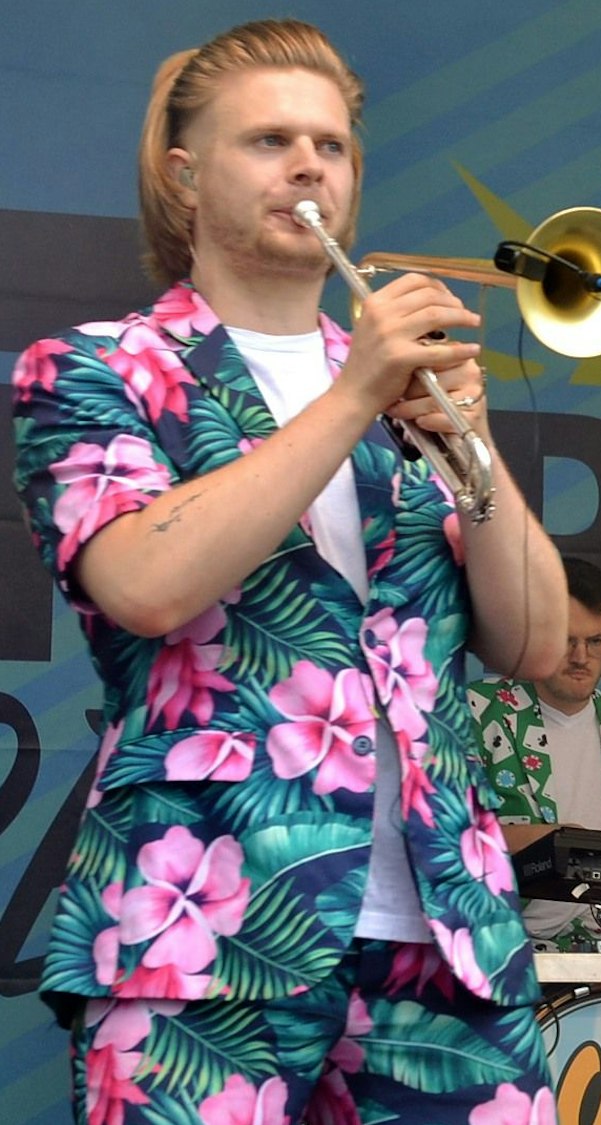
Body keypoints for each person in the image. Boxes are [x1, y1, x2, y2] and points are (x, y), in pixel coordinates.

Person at [10, 19, 567, 1125]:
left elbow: (538, 646)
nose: (310, 166)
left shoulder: (396, 381)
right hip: (203, 934)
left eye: (332, 146)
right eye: (269, 141)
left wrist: (474, 452)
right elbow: (145, 585)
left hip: (444, 938)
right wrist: (353, 397)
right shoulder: (94, 366)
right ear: (184, 177)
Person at [471, 556, 601, 948]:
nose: (581, 657)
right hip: (506, 942)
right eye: (566, 640)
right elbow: (441, 837)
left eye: (595, 641)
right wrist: (553, 841)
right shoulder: (478, 712)